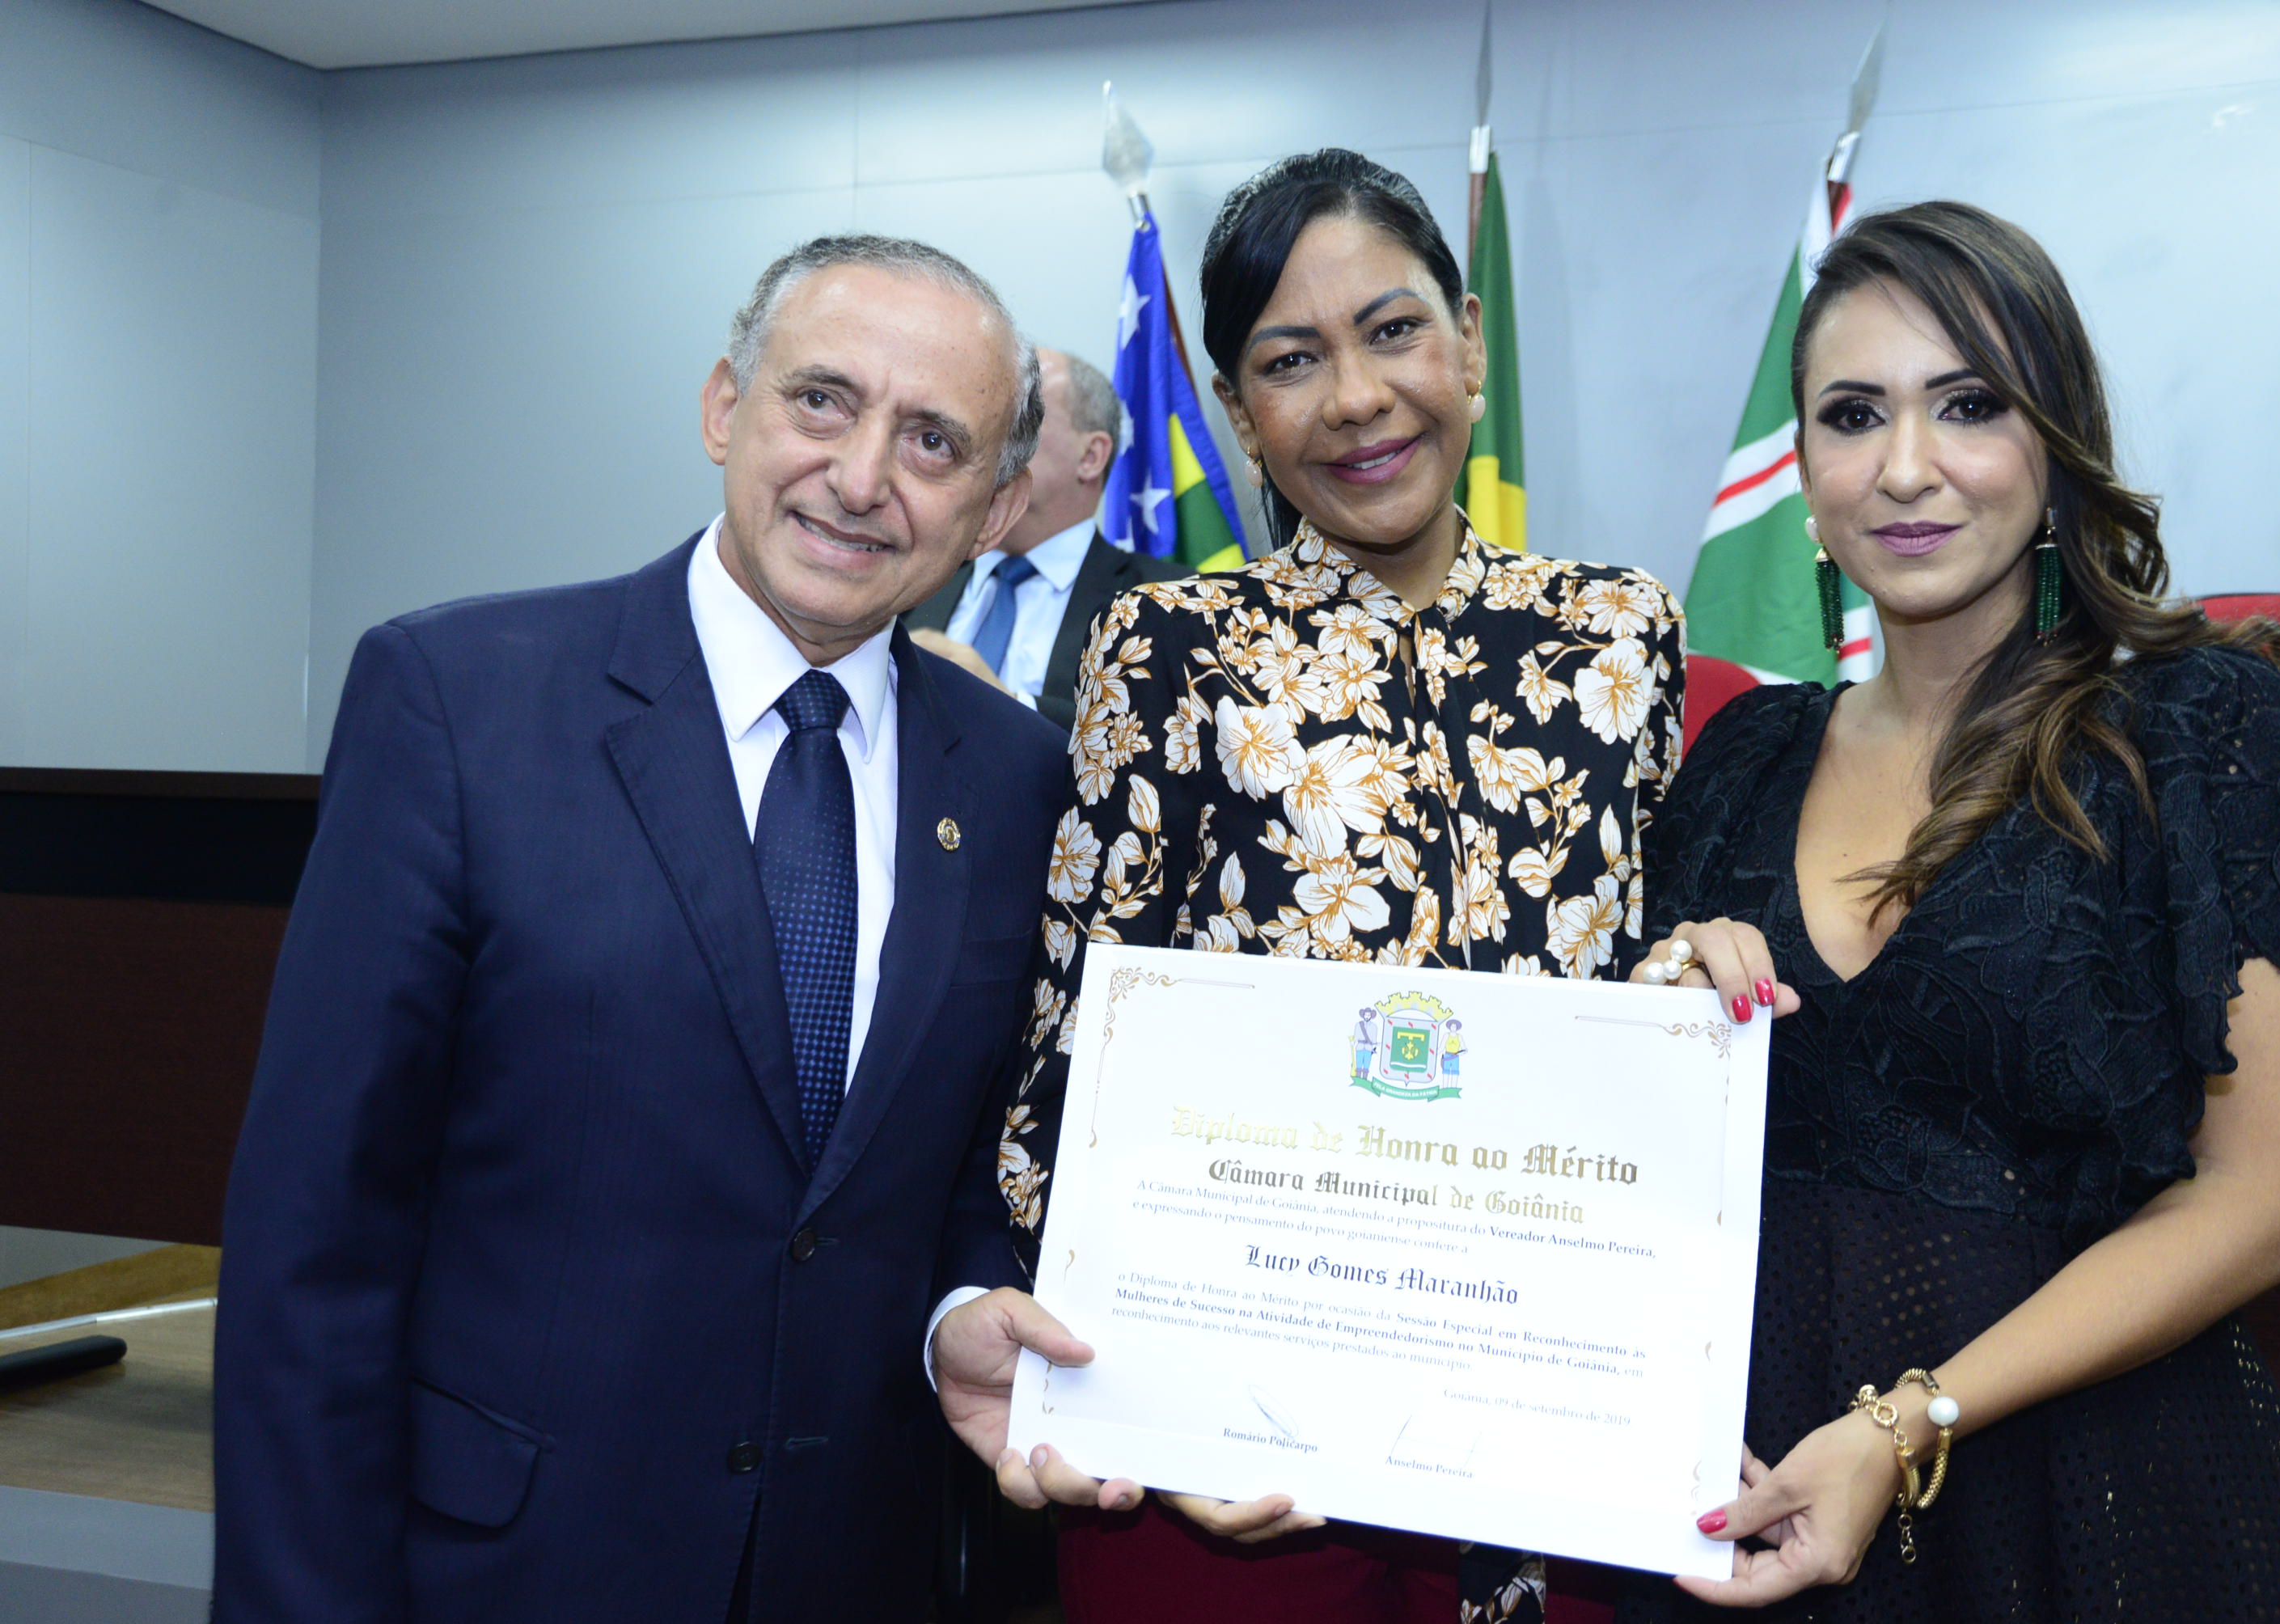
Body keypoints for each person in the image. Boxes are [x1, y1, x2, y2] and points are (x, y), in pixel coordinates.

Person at [214, 233, 1104, 1622]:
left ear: (994, 509)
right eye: (821, 400)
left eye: (933, 441)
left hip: (855, 1568)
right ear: (721, 407)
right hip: (505, 1570)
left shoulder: (1020, 783)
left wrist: (955, 1316)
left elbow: (966, 1177)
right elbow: (317, 1232)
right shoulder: (455, 701)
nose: (860, 476)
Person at [1623, 201, 2280, 1621]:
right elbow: (1664, 1173)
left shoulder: (2207, 738)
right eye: (1854, 415)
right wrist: (1659, 1013)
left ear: (2055, 443)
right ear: (1802, 467)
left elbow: (2276, 1201)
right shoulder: (1738, 762)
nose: (1905, 467)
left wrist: (1906, 1426)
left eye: (1968, 405)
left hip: (2097, 1508)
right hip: (1754, 1496)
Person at [993, 148, 1690, 1624]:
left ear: (1469, 346)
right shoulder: (1172, 647)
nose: (1358, 397)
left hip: (1553, 1432)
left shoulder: (1619, 634)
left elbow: (1651, 988)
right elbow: (1076, 1040)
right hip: (1250, 1459)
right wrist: (1141, 1386)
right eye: (1291, 361)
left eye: (1393, 331)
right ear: (1236, 409)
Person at [906, 347, 1191, 727]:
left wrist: (1004, 705)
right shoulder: (912, 570)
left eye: (1018, 418)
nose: (983, 434)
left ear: (1091, 456)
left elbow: (1163, 736)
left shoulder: (1169, 602)